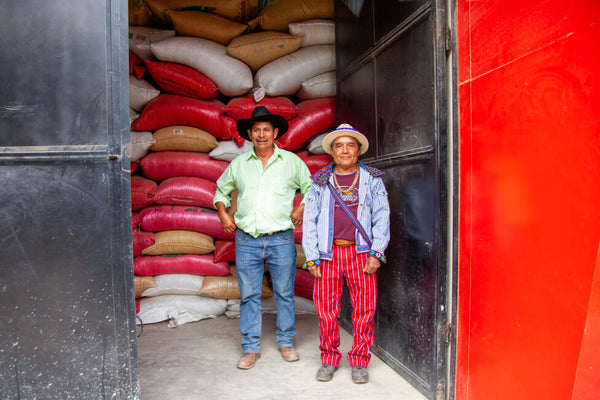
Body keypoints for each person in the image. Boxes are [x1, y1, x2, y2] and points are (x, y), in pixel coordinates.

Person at [213, 106, 311, 370]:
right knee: (249, 295)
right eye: (256, 130)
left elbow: (312, 188)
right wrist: (223, 213)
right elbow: (221, 192)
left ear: (275, 132)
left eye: (266, 129)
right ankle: (250, 347)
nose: (261, 134)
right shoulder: (238, 165)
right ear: (249, 134)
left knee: (284, 293)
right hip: (247, 240)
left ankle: (286, 341)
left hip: (281, 239)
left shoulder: (291, 162)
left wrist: (301, 207)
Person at [302, 123, 390, 384]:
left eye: (350, 145)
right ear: (332, 151)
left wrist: (377, 252)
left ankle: (360, 360)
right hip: (327, 254)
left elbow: (382, 216)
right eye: (339, 145)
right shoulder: (319, 181)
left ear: (358, 150)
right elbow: (309, 219)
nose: (345, 150)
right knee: (326, 309)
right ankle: (329, 358)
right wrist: (311, 255)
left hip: (361, 253)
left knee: (364, 308)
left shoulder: (372, 179)